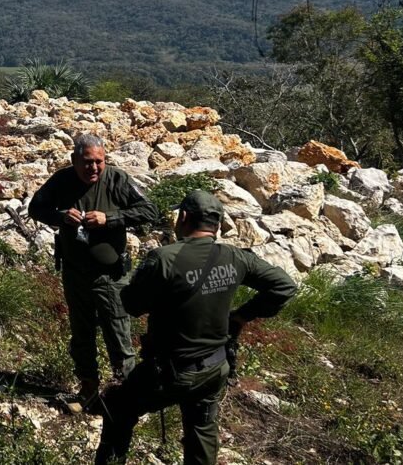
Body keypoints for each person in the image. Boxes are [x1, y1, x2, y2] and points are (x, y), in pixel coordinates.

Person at [94, 190, 298, 465]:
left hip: (170, 372)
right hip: (215, 367)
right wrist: (240, 317)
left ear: (184, 217)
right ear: (217, 225)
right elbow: (285, 286)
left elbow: (132, 305)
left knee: (117, 407)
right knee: (202, 431)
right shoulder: (236, 256)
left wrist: (134, 278)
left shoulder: (164, 258)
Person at [27, 133, 158, 405]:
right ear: (74, 160)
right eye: (87, 162)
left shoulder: (116, 180)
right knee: (81, 334)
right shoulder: (62, 180)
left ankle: (126, 396)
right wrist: (60, 216)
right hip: (75, 273)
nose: (93, 168)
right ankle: (88, 389)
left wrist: (110, 218)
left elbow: (149, 210)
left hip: (110, 277)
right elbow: (36, 208)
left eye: (99, 161)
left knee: (119, 335)